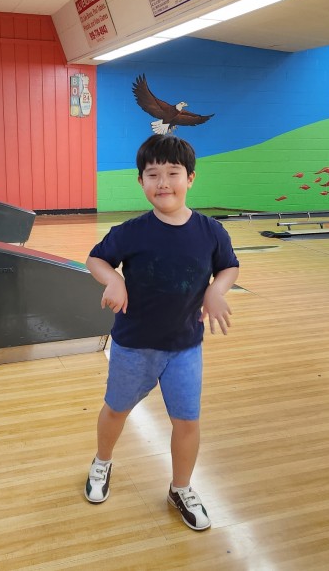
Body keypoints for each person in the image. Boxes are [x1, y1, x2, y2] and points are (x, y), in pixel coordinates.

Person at [83, 133, 240, 531]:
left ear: (191, 178)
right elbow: (96, 259)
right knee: (116, 410)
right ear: (141, 182)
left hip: (184, 347)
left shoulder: (211, 231)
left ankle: (180, 488)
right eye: (153, 175)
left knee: (187, 422)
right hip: (133, 346)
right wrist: (113, 280)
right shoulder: (131, 232)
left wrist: (216, 290)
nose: (163, 182)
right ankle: (102, 462)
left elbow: (229, 266)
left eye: (173, 173)